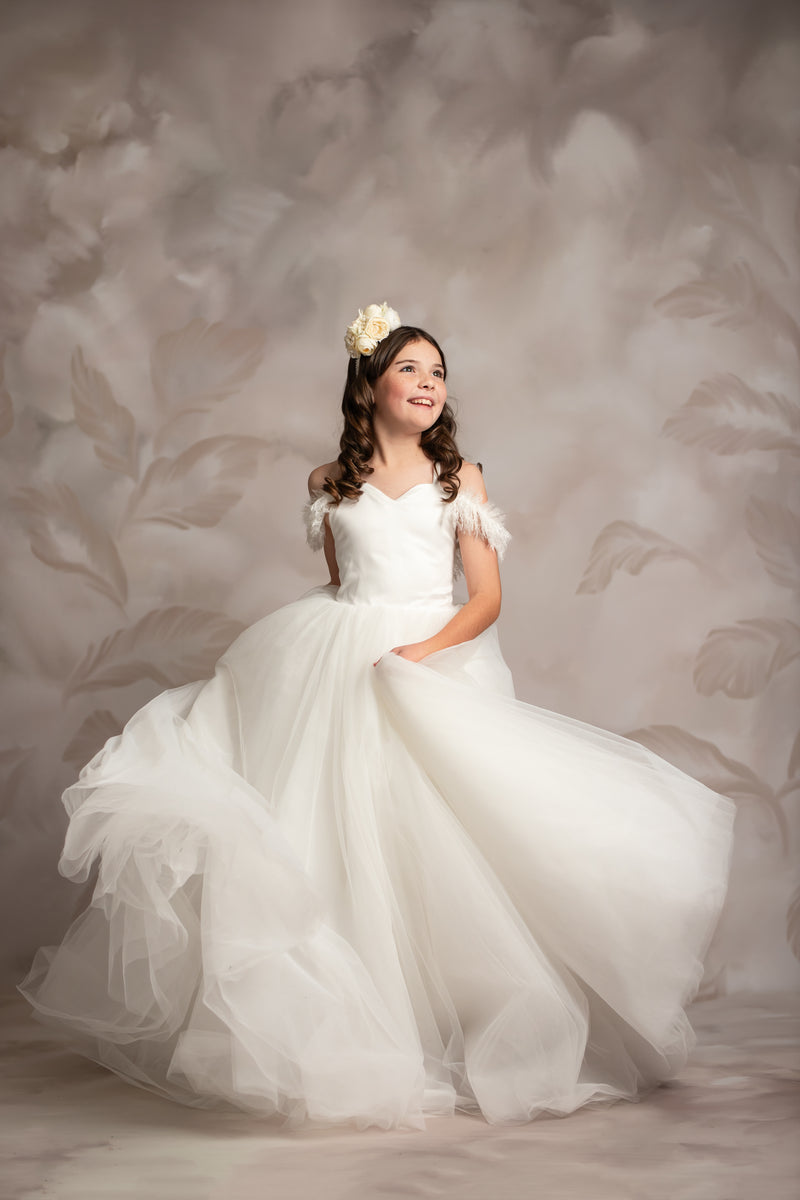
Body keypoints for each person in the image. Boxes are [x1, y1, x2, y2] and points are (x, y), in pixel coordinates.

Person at [19, 303, 736, 1131]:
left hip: (429, 657)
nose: (429, 384)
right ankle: (353, 1031)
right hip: (336, 657)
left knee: (437, 841)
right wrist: (332, 652)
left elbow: (488, 598)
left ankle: (472, 1023)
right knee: (332, 831)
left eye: (438, 373)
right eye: (411, 369)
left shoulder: (458, 477)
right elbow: (341, 581)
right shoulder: (330, 482)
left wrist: (419, 657)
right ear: (373, 382)